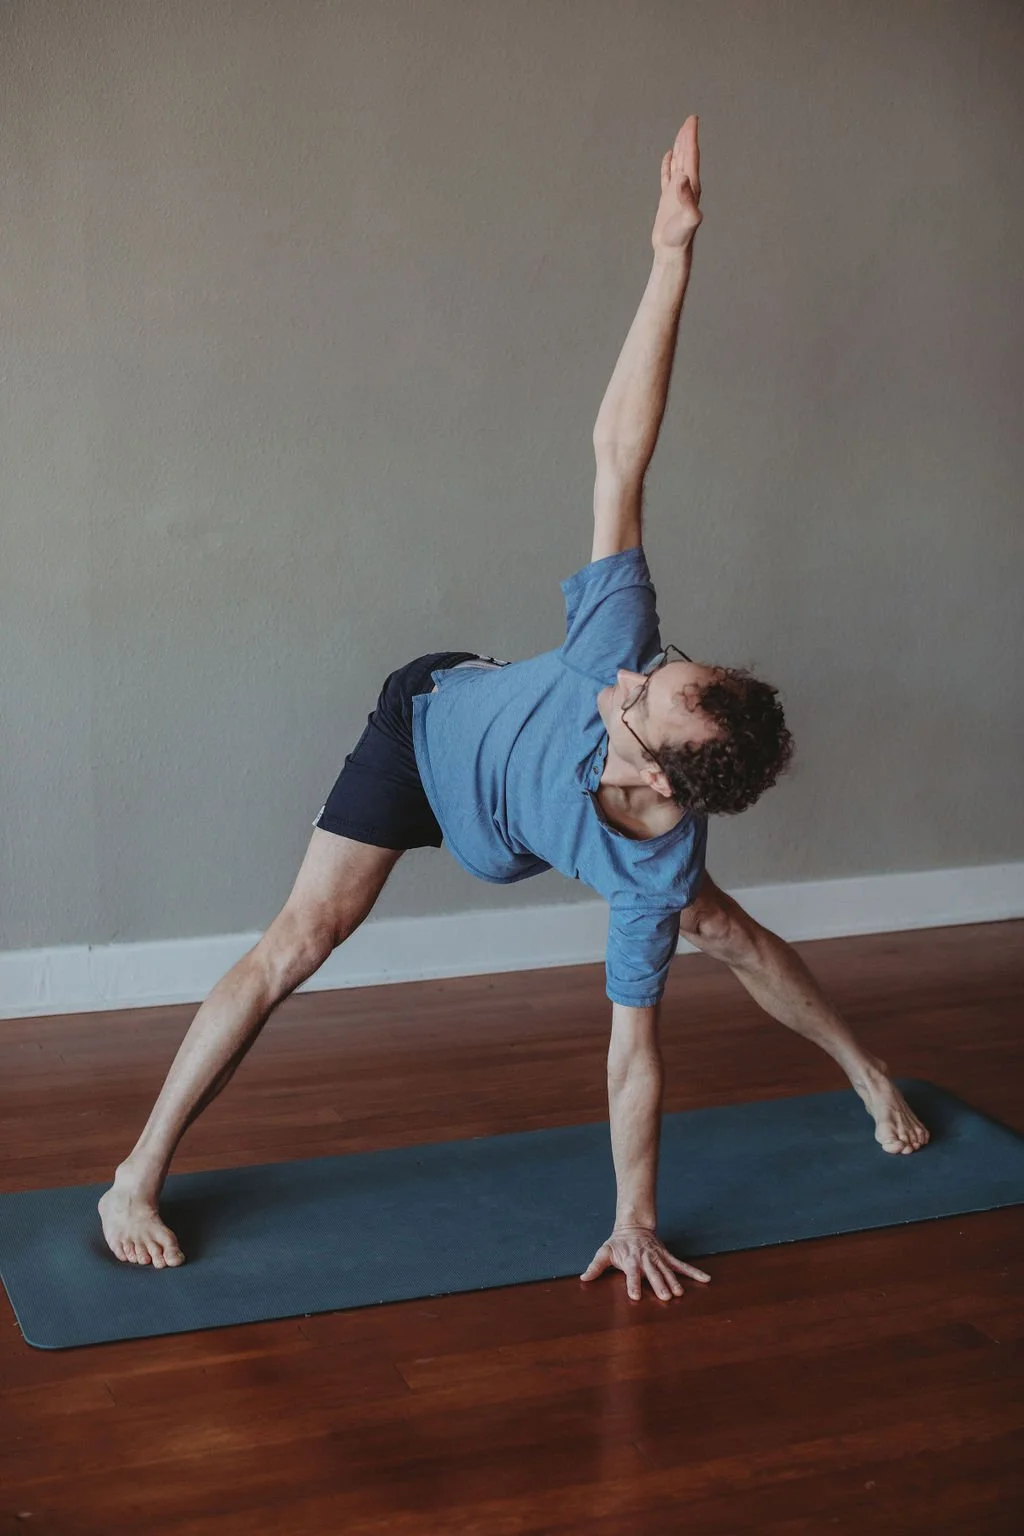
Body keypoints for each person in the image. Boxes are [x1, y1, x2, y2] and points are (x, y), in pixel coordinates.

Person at [99, 116, 928, 1299]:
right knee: (300, 941)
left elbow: (631, 1054)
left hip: (534, 820)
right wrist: (671, 257)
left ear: (659, 778)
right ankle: (132, 1176)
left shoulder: (652, 866)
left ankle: (866, 1072)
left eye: (646, 696)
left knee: (722, 931)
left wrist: (634, 1222)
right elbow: (617, 452)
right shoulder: (613, 644)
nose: (629, 677)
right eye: (660, 665)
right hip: (427, 734)